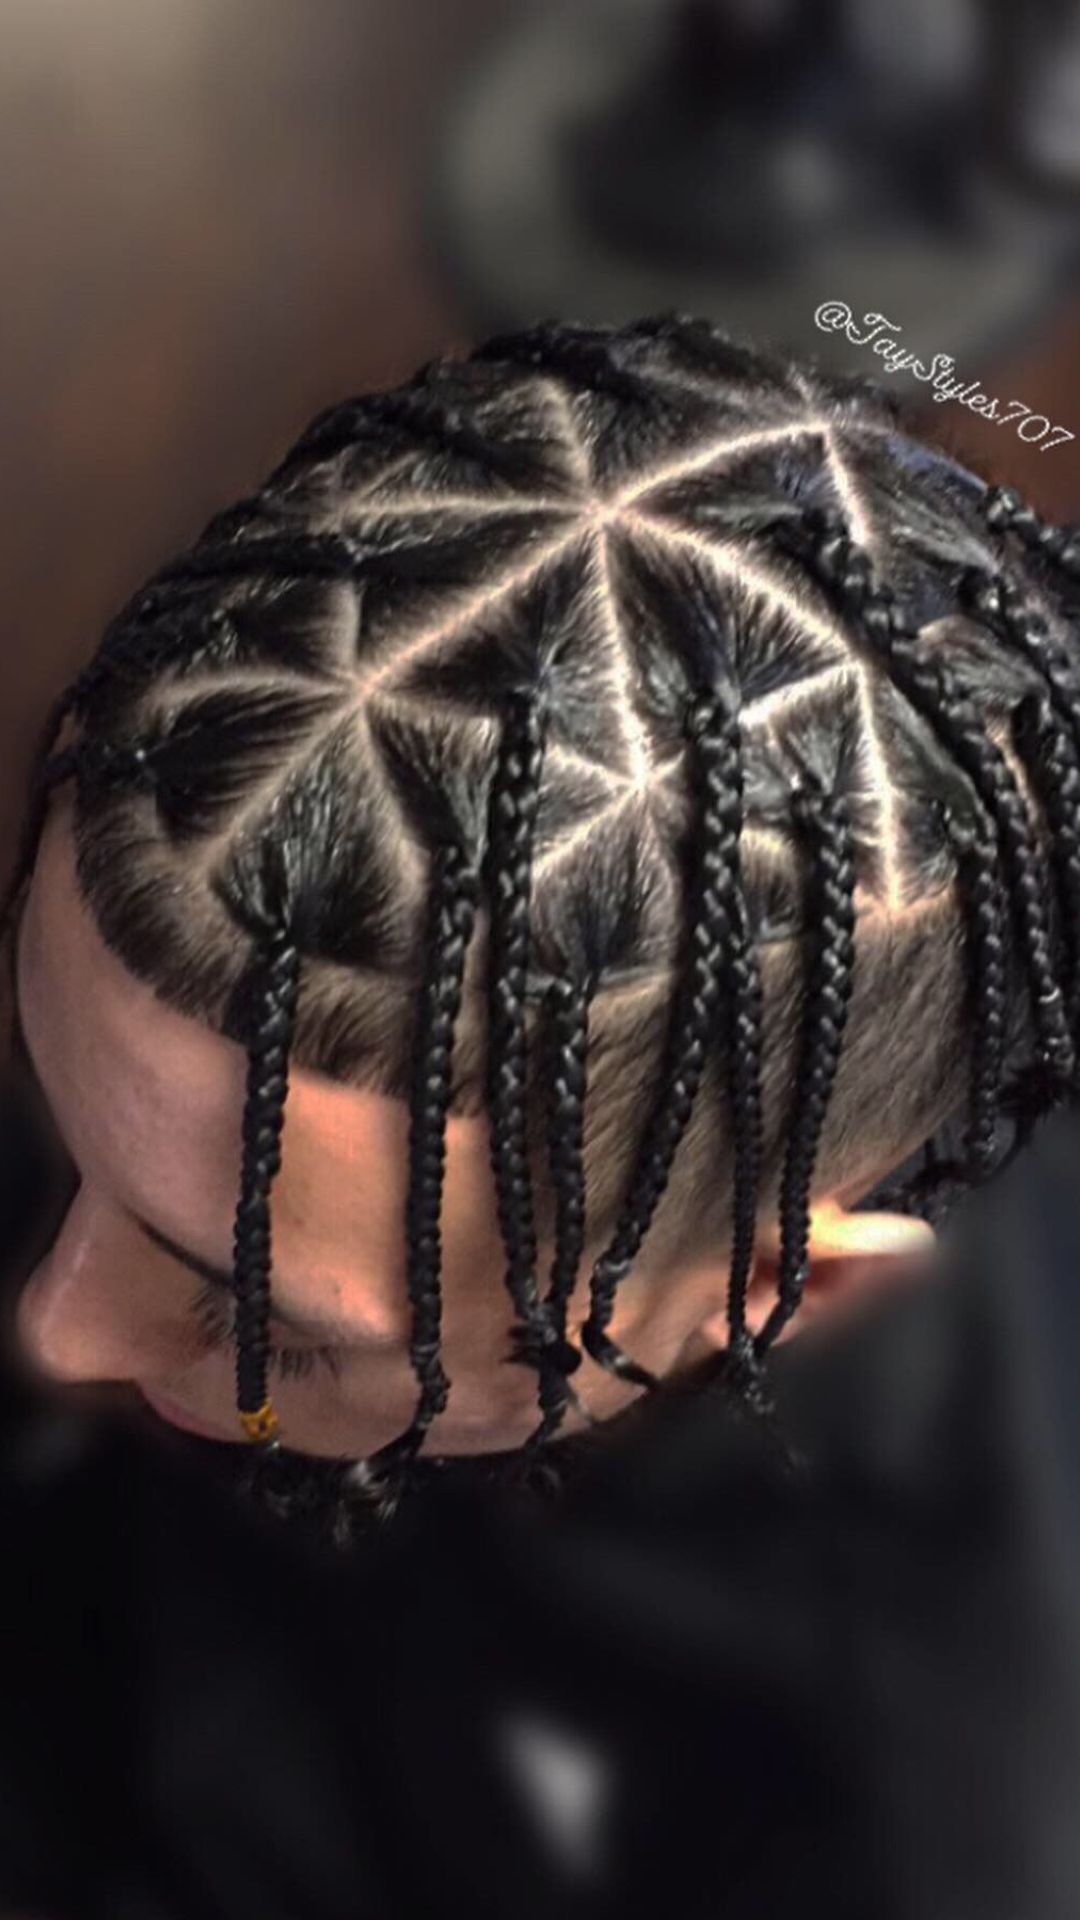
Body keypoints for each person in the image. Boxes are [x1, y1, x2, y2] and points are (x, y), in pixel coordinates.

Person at [3, 313, 1080, 1918]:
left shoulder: (910, 1817)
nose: (53, 1326)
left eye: (259, 1311)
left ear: (784, 1294)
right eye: (50, 1088)